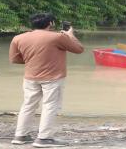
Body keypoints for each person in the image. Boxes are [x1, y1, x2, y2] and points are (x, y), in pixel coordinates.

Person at [9, 13, 84, 147]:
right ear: (50, 23)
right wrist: (70, 35)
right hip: (53, 78)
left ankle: (20, 136)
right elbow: (79, 49)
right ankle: (44, 138)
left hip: (30, 77)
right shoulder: (58, 37)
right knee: (50, 106)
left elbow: (14, 59)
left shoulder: (18, 38)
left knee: (28, 105)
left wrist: (33, 62)